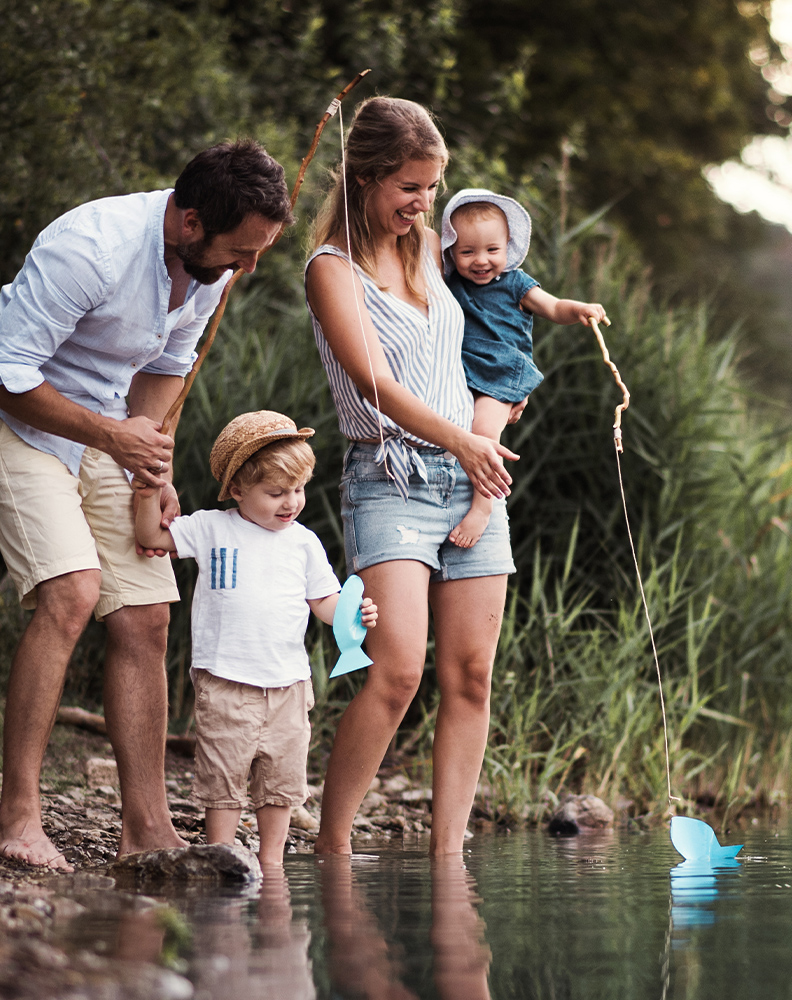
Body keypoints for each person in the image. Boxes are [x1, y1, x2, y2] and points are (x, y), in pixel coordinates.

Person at [0, 142, 295, 871]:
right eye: (240, 251)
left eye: (258, 252)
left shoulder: (210, 269)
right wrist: (114, 435)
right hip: (15, 421)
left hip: (107, 431)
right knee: (73, 593)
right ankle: (18, 819)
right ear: (190, 221)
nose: (247, 267)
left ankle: (147, 830)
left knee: (145, 613)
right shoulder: (92, 248)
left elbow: (166, 369)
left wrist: (149, 462)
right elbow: (0, 374)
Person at [304, 96, 520, 856]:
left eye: (430, 188)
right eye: (408, 187)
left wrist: (489, 424)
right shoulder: (330, 269)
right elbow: (373, 384)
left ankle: (448, 858)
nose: (423, 204)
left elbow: (499, 335)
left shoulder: (434, 246)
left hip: (471, 478)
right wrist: (464, 440)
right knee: (395, 671)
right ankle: (332, 848)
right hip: (388, 476)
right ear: (364, 178)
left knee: (471, 676)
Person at [133, 410, 377, 867]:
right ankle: (221, 856)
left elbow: (325, 603)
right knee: (223, 778)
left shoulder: (303, 542)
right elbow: (150, 534)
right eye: (276, 492)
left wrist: (353, 610)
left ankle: (272, 865)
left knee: (281, 783)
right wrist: (148, 491)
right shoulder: (212, 527)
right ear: (238, 489)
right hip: (225, 681)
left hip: (287, 685)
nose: (291, 503)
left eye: (298, 490)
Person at [441, 189, 607, 547]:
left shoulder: (515, 283)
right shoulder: (450, 284)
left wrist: (578, 310)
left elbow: (553, 306)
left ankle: (483, 507)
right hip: (461, 372)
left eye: (492, 250)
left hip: (501, 373)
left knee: (484, 432)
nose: (480, 260)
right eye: (467, 252)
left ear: (508, 246)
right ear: (452, 251)